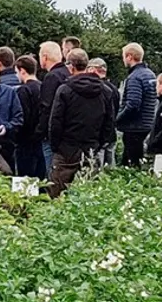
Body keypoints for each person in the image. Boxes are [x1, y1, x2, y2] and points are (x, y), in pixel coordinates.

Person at [48, 49, 116, 198]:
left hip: (66, 149)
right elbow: (109, 122)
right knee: (87, 195)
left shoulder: (65, 90)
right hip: (91, 148)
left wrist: (56, 147)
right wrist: (99, 145)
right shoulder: (105, 91)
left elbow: (56, 121)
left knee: (56, 193)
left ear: (71, 66)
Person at [114, 43, 157, 168]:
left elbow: (133, 104)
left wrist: (117, 119)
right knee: (136, 159)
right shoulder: (150, 74)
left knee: (131, 163)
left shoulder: (134, 77)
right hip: (147, 123)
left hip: (134, 126)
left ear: (129, 57)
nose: (123, 60)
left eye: (123, 56)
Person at [36, 41, 71, 173]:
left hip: (51, 134)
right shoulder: (67, 73)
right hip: (66, 131)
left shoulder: (51, 77)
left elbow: (47, 107)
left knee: (51, 171)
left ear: (45, 57)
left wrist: (40, 131)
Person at [14, 55, 45, 179]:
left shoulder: (23, 90)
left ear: (22, 70)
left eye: (16, 72)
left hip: (25, 141)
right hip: (40, 139)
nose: (16, 75)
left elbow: (22, 117)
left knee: (25, 178)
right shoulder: (43, 87)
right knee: (40, 177)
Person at [88, 58, 121, 166]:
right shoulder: (114, 89)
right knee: (111, 165)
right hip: (111, 133)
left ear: (92, 69)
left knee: (98, 165)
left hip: (99, 134)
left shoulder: (96, 88)